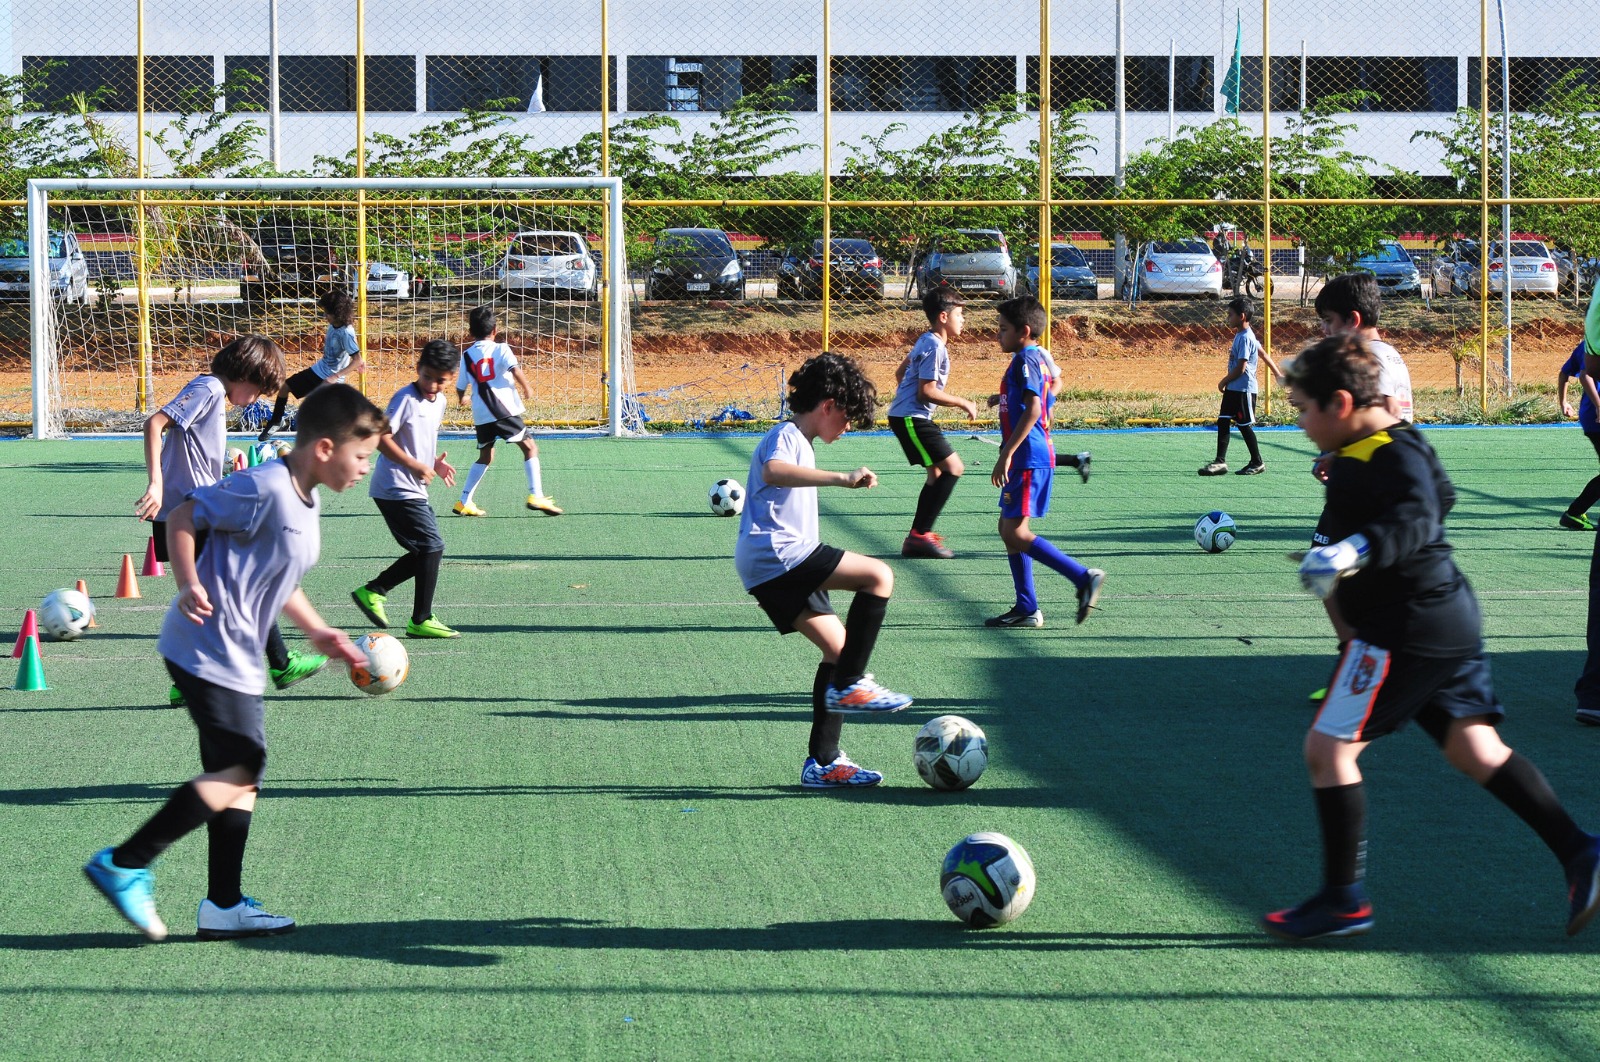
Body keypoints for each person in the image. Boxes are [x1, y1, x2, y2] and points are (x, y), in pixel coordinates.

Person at [1264, 334, 1600, 942]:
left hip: (1407, 628)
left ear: (1340, 404)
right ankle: (1583, 854)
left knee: (1328, 750)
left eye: (1303, 408)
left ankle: (1344, 901)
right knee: (1476, 750)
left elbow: (1419, 516)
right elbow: (1436, 497)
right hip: (1439, 620)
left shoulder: (1388, 452)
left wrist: (1353, 550)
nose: (1299, 421)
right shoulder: (1375, 447)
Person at [86, 383, 386, 942]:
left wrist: (318, 631)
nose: (366, 467)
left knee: (238, 779)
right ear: (325, 447)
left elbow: (280, 578)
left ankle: (223, 905)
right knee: (242, 766)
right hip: (205, 647)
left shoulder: (307, 497)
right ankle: (126, 861)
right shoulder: (263, 486)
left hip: (240, 656)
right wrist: (188, 583)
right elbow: (181, 517)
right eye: (362, 455)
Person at [734, 352, 913, 789]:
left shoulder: (802, 441)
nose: (848, 427)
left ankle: (824, 762)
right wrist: (840, 478)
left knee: (839, 649)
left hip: (769, 562)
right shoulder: (788, 435)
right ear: (828, 405)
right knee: (879, 576)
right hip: (779, 554)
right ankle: (854, 684)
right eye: (847, 417)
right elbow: (774, 471)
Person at [133, 335, 326, 705]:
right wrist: (155, 484)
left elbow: (190, 451)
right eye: (257, 390)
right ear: (244, 373)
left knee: (226, 590)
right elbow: (154, 423)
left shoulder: (212, 394)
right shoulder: (207, 388)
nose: (254, 399)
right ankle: (276, 664)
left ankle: (197, 679)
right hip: (189, 514)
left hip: (200, 508)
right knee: (247, 579)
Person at [985, 296, 1104, 629]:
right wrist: (1004, 398)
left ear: (1024, 331)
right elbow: (1043, 393)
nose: (998, 335)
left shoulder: (1025, 359)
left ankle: (1082, 577)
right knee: (1007, 529)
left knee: (1015, 531)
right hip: (1030, 455)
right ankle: (1026, 606)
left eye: (1003, 329)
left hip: (1027, 457)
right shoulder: (1034, 358)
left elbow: (1035, 408)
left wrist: (1006, 451)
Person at [352, 340, 461, 639]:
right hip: (395, 487)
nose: (433, 384)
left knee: (426, 551)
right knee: (431, 547)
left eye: (441, 380)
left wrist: (433, 463)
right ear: (418, 369)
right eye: (428, 376)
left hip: (413, 486)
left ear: (452, 378)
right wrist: (414, 465)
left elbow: (418, 438)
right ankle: (419, 617)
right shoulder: (405, 398)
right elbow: (381, 438)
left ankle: (374, 591)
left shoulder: (439, 402)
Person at [887, 289, 977, 559]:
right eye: (960, 314)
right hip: (911, 418)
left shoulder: (926, 340)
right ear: (943, 316)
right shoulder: (935, 346)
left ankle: (918, 537)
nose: (963, 320)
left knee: (937, 474)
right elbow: (925, 391)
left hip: (909, 416)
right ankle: (920, 535)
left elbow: (901, 372)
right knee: (954, 468)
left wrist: (906, 398)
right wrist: (963, 402)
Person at [453, 305, 562, 517]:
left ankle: (464, 500)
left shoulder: (466, 355)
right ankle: (536, 495)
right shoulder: (501, 348)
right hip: (502, 412)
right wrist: (527, 387)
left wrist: (462, 398)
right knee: (530, 447)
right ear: (495, 330)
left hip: (482, 414)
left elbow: (459, 386)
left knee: (486, 456)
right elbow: (514, 369)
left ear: (470, 332)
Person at [257, 289, 367, 441]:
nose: (325, 316)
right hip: (319, 370)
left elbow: (357, 360)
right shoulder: (333, 324)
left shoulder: (346, 332)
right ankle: (276, 420)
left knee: (314, 413)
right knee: (284, 387)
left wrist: (336, 376)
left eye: (327, 313)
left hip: (330, 380)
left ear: (338, 313)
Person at [1198, 296, 1281, 476]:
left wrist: (1224, 380)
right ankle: (1220, 462)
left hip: (1243, 389)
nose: (1228, 318)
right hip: (1234, 388)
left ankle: (1257, 462)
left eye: (1230, 315)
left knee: (1243, 425)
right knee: (1223, 420)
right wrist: (1277, 373)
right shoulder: (1243, 335)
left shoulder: (1245, 338)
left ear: (1241, 316)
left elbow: (1242, 368)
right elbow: (1264, 354)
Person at [1315, 272, 1412, 424]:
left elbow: (1391, 410)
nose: (1323, 328)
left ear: (1353, 319)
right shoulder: (1388, 352)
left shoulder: (1367, 356)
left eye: (1329, 320)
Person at [1557, 339, 1600, 531]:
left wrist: (1564, 402)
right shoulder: (1594, 344)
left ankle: (1575, 512)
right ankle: (1574, 513)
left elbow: (1564, 373)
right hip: (1596, 417)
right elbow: (1584, 375)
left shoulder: (1587, 342)